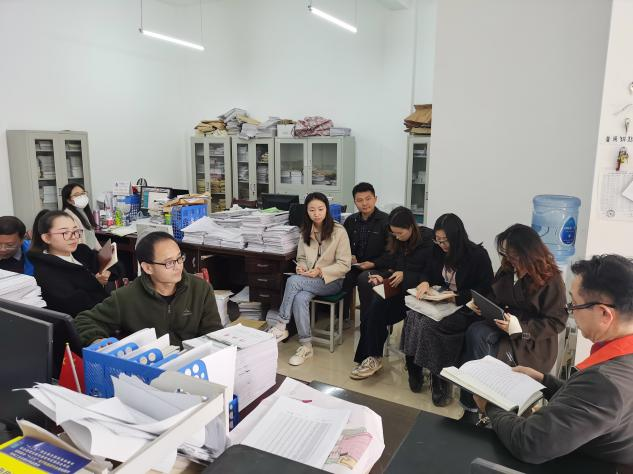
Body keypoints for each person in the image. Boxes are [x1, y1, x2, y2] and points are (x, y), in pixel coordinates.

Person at [473, 255, 633, 469]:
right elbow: (584, 402)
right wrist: (544, 381)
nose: (571, 312)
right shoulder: (618, 365)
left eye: (574, 305)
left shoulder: (605, 383)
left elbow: (529, 444)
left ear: (604, 314)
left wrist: (491, 405)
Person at [400, 213, 494, 406]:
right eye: (438, 240)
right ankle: (414, 366)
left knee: (430, 325)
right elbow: (427, 271)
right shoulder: (436, 250)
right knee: (412, 317)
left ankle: (440, 378)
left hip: (465, 307)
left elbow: (485, 289)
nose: (441, 244)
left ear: (457, 237)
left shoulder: (477, 255)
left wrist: (456, 297)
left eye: (445, 240)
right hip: (441, 301)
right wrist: (425, 282)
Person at [75, 231, 223, 347]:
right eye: (169, 263)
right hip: (150, 365)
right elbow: (83, 321)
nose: (178, 266)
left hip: (195, 364)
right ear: (147, 268)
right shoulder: (126, 297)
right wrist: (98, 342)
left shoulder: (200, 288)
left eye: (179, 258)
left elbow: (214, 333)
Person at [462, 224, 568, 374]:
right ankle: (473, 383)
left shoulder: (551, 279)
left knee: (481, 337)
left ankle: (485, 384)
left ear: (529, 253)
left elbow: (557, 322)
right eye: (506, 254)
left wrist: (521, 328)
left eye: (513, 256)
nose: (509, 259)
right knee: (473, 330)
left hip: (532, 342)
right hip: (504, 327)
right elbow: (495, 295)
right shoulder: (508, 268)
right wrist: (480, 305)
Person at [266, 192, 351, 366]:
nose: (316, 213)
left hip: (332, 281)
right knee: (300, 298)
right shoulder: (306, 230)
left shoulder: (339, 232)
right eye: (312, 210)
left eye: (320, 209)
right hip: (309, 280)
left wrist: (320, 271)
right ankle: (306, 346)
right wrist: (301, 267)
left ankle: (281, 325)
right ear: (307, 211)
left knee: (292, 281)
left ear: (326, 209)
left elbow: (344, 265)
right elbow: (302, 257)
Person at [350, 206, 433, 380]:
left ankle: (379, 356)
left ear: (411, 227)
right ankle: (373, 357)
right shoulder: (397, 241)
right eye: (394, 233)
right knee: (374, 307)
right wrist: (384, 277)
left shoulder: (428, 240)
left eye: (400, 233)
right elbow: (394, 266)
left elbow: (431, 275)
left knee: (378, 310)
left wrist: (406, 275)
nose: (397, 237)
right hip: (400, 291)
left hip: (419, 296)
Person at [28, 210, 110, 317]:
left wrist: (108, 271)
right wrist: (96, 282)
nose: (74, 237)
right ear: (47, 238)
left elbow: (113, 267)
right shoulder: (46, 273)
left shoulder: (80, 251)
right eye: (65, 233)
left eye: (75, 231)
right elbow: (80, 307)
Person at [342, 182, 390, 322]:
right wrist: (349, 256)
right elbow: (343, 246)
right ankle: (342, 317)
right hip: (356, 266)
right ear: (355, 202)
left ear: (375, 199)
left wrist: (373, 263)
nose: (364, 203)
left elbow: (392, 253)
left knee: (365, 279)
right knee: (342, 275)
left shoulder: (386, 221)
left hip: (379, 267)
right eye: (360, 200)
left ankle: (367, 321)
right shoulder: (351, 220)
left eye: (368, 199)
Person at [61, 183, 101, 251]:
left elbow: (91, 236)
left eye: (83, 193)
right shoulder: (68, 216)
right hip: (82, 253)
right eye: (76, 195)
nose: (81, 196)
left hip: (90, 251)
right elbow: (77, 242)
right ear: (68, 200)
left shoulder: (83, 211)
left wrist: (100, 250)